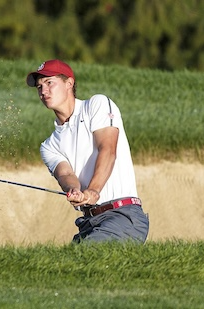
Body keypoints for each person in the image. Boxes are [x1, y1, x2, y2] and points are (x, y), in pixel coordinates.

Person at [26, 59, 149, 243]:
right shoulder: (49, 145)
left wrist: (93, 191)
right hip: (88, 222)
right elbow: (65, 174)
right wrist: (74, 190)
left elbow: (107, 149)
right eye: (39, 87)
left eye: (49, 83)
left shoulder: (96, 105)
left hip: (122, 216)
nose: (43, 91)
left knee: (88, 255)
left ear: (69, 83)